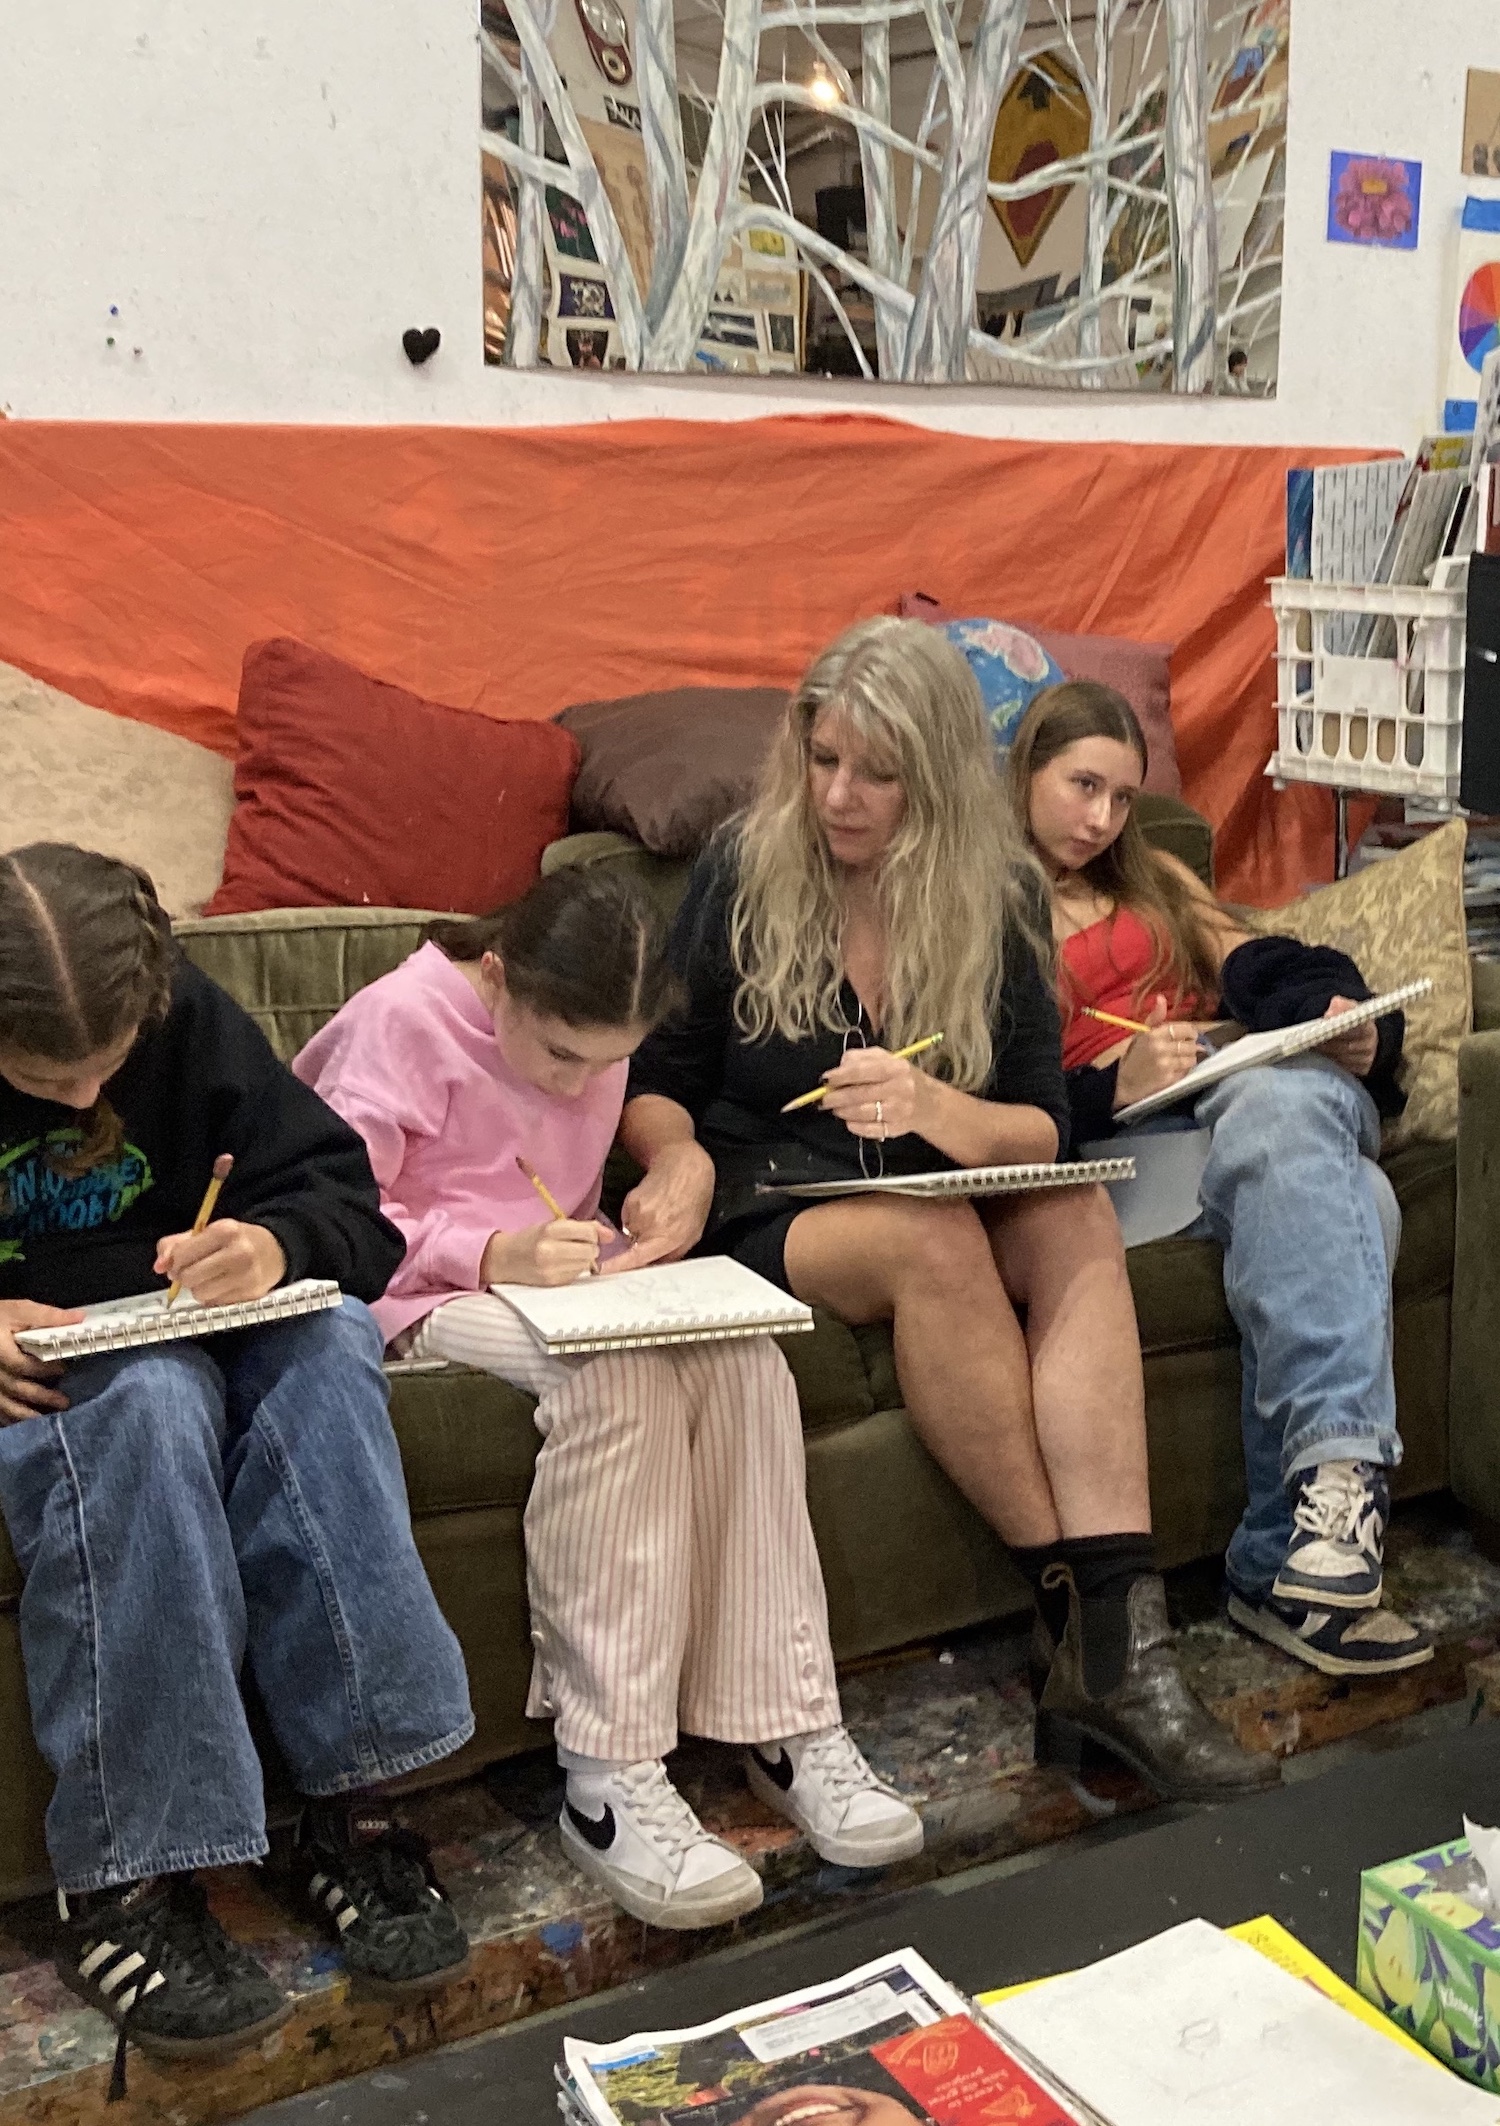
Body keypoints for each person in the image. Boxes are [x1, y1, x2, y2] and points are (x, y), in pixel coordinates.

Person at [619, 616, 1276, 1805]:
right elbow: (657, 1078)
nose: (841, 794)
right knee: (931, 1240)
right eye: (823, 760)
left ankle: (1111, 1655)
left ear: (936, 776)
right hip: (774, 1179)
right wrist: (681, 1165)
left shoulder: (997, 892)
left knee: (1069, 1208)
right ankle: (1094, 1629)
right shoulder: (743, 865)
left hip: (941, 1162)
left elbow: (1036, 1126)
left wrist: (929, 1100)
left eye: (878, 772)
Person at [294, 866, 923, 1934]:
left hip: (572, 1278)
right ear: (496, 974)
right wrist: (491, 1248)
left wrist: (667, 1178)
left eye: (607, 1057)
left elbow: (623, 1136)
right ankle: (608, 1770)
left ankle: (786, 1718)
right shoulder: (396, 1022)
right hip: (421, 1294)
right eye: (560, 1053)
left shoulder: (595, 1035)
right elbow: (331, 1214)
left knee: (744, 1353)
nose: (578, 1077)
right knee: (619, 1380)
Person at [0, 844, 474, 2090]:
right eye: (50, 1075)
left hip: (196, 1323)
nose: (89, 1089)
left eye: (112, 1059)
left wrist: (270, 1241)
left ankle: (344, 1800)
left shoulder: (187, 1010)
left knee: (325, 1336)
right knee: (149, 1401)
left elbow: (351, 1212)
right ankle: (128, 1872)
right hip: (60, 1371)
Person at [1008, 680, 1433, 1678]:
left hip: (1222, 1107)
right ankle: (1317, 1514)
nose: (1103, 818)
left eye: (1122, 795)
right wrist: (1108, 1081)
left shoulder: (1150, 875)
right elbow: (985, 1088)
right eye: (1081, 787)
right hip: (1113, 1152)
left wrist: (1349, 1020)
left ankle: (1300, 1558)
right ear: (1024, 771)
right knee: (1356, 1199)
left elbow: (1263, 958)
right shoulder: (981, 900)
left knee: (1304, 1133)